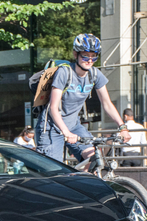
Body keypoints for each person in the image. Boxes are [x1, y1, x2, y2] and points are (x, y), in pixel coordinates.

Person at [35, 34, 131, 163]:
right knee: (54, 170)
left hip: (74, 126)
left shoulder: (95, 74)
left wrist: (122, 127)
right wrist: (66, 132)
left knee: (94, 157)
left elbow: (107, 103)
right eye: (85, 56)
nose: (90, 60)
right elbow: (53, 107)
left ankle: (79, 180)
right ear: (76, 54)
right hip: (51, 128)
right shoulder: (64, 73)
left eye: (94, 56)